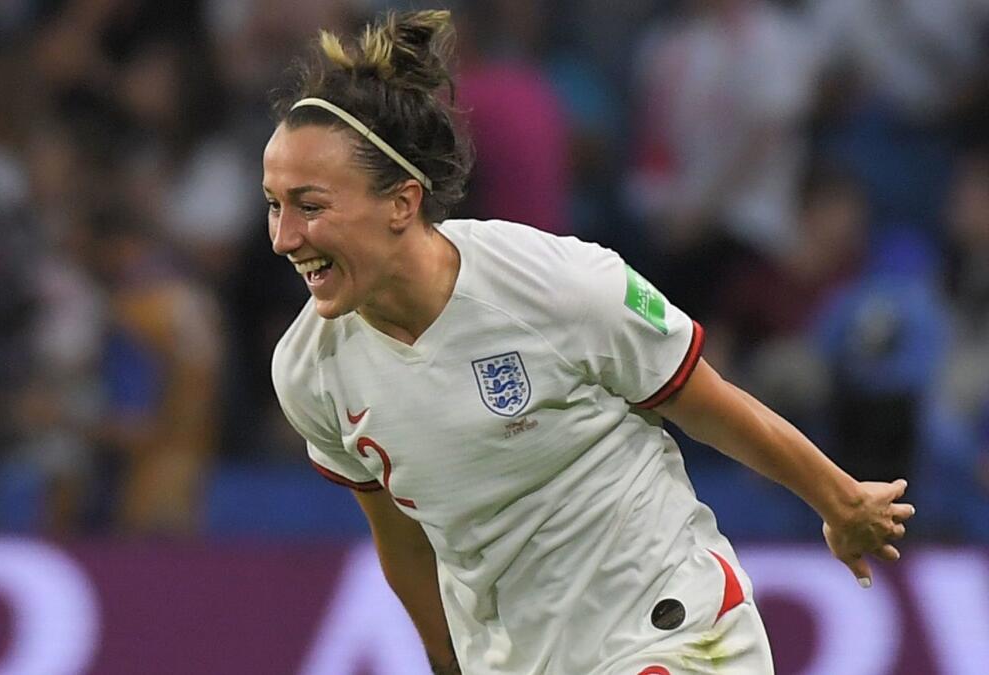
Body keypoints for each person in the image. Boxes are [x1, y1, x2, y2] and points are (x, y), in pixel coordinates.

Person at [267, 10, 913, 674]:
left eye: (310, 206)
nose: (284, 237)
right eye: (273, 205)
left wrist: (839, 500)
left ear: (402, 202)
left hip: (669, 628)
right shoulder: (309, 371)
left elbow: (709, 404)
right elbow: (403, 544)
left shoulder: (554, 285)